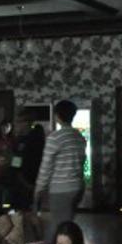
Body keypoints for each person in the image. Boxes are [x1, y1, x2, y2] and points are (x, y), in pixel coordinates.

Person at [34, 100, 86, 236]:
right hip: (78, 187)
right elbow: (82, 161)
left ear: (57, 116)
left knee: (59, 228)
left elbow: (46, 166)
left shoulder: (55, 138)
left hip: (61, 189)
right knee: (67, 223)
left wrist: (39, 188)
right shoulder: (79, 136)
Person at [9, 111, 45, 213]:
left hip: (30, 178)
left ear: (27, 122)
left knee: (29, 209)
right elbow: (16, 159)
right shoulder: (20, 139)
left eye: (19, 122)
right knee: (20, 209)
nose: (17, 125)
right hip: (21, 179)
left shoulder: (35, 138)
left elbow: (36, 160)